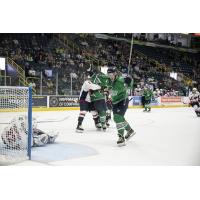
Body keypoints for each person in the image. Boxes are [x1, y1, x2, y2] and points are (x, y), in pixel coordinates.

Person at [107, 66, 136, 146]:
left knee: (117, 118)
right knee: (119, 118)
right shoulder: (108, 81)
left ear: (115, 73)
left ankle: (121, 137)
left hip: (123, 100)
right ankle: (130, 131)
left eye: (111, 74)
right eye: (108, 74)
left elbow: (130, 82)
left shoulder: (120, 79)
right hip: (115, 102)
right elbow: (110, 91)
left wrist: (129, 81)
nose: (110, 76)